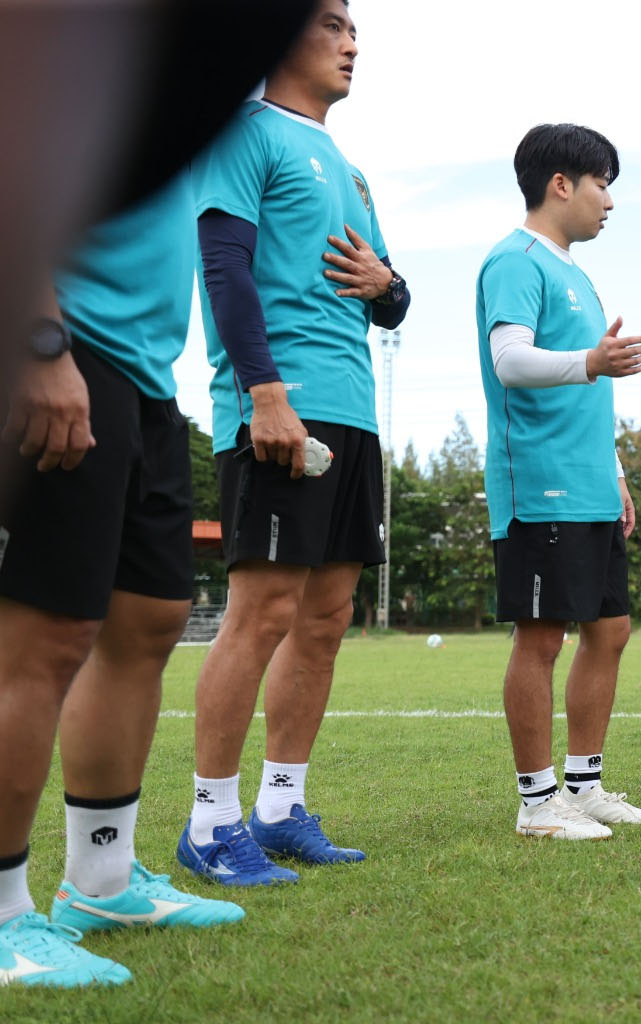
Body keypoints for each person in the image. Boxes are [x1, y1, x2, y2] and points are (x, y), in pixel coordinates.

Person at [178, 0, 413, 884]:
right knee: (264, 612)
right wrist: (264, 395)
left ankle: (280, 808)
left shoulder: (353, 172)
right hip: (281, 407)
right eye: (332, 25)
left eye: (355, 29)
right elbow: (223, 267)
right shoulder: (244, 132)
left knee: (324, 618)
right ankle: (210, 823)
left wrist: (387, 283)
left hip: (354, 415)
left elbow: (391, 300)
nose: (352, 43)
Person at [0, 172, 243, 988]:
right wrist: (40, 340)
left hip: (146, 377)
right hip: (65, 346)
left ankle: (101, 883)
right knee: (47, 631)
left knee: (149, 618)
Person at [476, 123, 641, 838]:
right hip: (540, 482)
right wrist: (591, 361)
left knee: (610, 630)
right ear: (561, 184)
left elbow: (589, 389)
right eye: (601, 184)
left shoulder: (576, 273)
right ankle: (536, 803)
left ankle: (584, 788)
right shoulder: (515, 260)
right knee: (542, 637)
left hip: (590, 484)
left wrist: (615, 472)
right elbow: (510, 360)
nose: (609, 201)